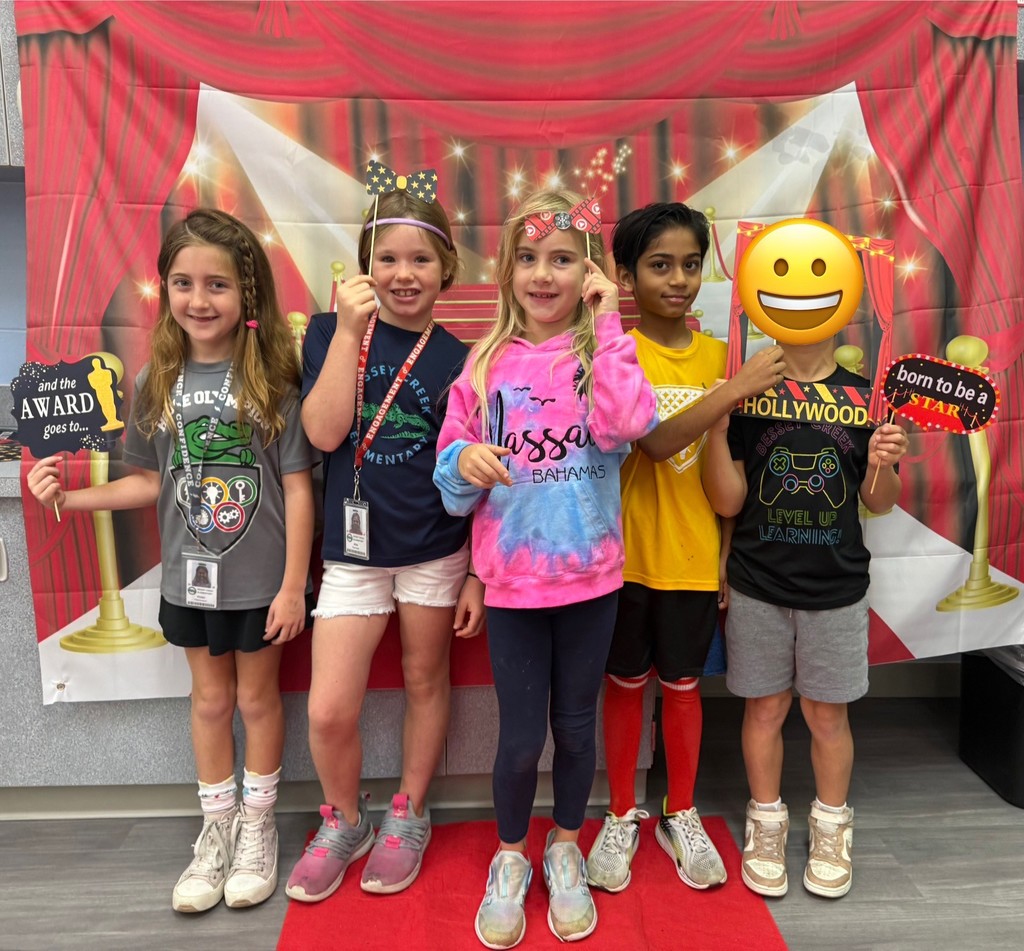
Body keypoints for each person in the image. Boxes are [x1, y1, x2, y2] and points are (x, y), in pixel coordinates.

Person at [27, 208, 316, 913]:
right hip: (191, 580)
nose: (199, 298)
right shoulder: (158, 381)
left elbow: (300, 486)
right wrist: (74, 494)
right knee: (210, 700)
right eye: (182, 282)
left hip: (259, 584)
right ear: (164, 292)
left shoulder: (274, 377)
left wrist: (291, 586)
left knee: (256, 698)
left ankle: (257, 827)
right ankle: (216, 829)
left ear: (247, 294)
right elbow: (151, 479)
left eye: (217, 283)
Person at [433, 190, 659, 949]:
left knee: (575, 726)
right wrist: (462, 458)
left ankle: (564, 845)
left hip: (591, 580)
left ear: (588, 271)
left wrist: (609, 318)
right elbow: (450, 477)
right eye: (527, 258)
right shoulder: (486, 361)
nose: (543, 273)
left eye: (562, 259)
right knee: (521, 737)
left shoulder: (604, 351)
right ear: (505, 271)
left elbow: (632, 423)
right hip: (514, 585)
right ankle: (509, 858)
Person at [286, 188, 484, 903]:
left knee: (425, 678)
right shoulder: (325, 332)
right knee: (329, 708)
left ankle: (409, 810)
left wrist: (479, 576)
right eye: (388, 257)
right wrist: (346, 334)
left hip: (435, 546)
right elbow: (324, 435)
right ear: (364, 263)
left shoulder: (463, 358)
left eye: (420, 259)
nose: (404, 273)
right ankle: (344, 821)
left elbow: (478, 473)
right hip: (351, 551)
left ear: (445, 268)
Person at [585, 203, 786, 895]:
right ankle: (619, 813)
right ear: (625, 274)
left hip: (695, 557)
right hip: (624, 557)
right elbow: (653, 439)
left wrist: (726, 551)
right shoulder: (614, 351)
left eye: (691, 264)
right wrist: (731, 389)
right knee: (623, 684)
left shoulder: (717, 356)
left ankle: (681, 811)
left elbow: (726, 469)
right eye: (659, 264)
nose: (678, 279)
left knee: (684, 687)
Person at [706, 313, 908, 900]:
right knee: (764, 709)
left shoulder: (863, 398)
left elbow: (879, 503)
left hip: (836, 590)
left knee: (827, 716)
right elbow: (728, 500)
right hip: (757, 585)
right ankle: (765, 821)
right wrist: (717, 429)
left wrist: (884, 460)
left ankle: (831, 822)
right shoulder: (748, 392)